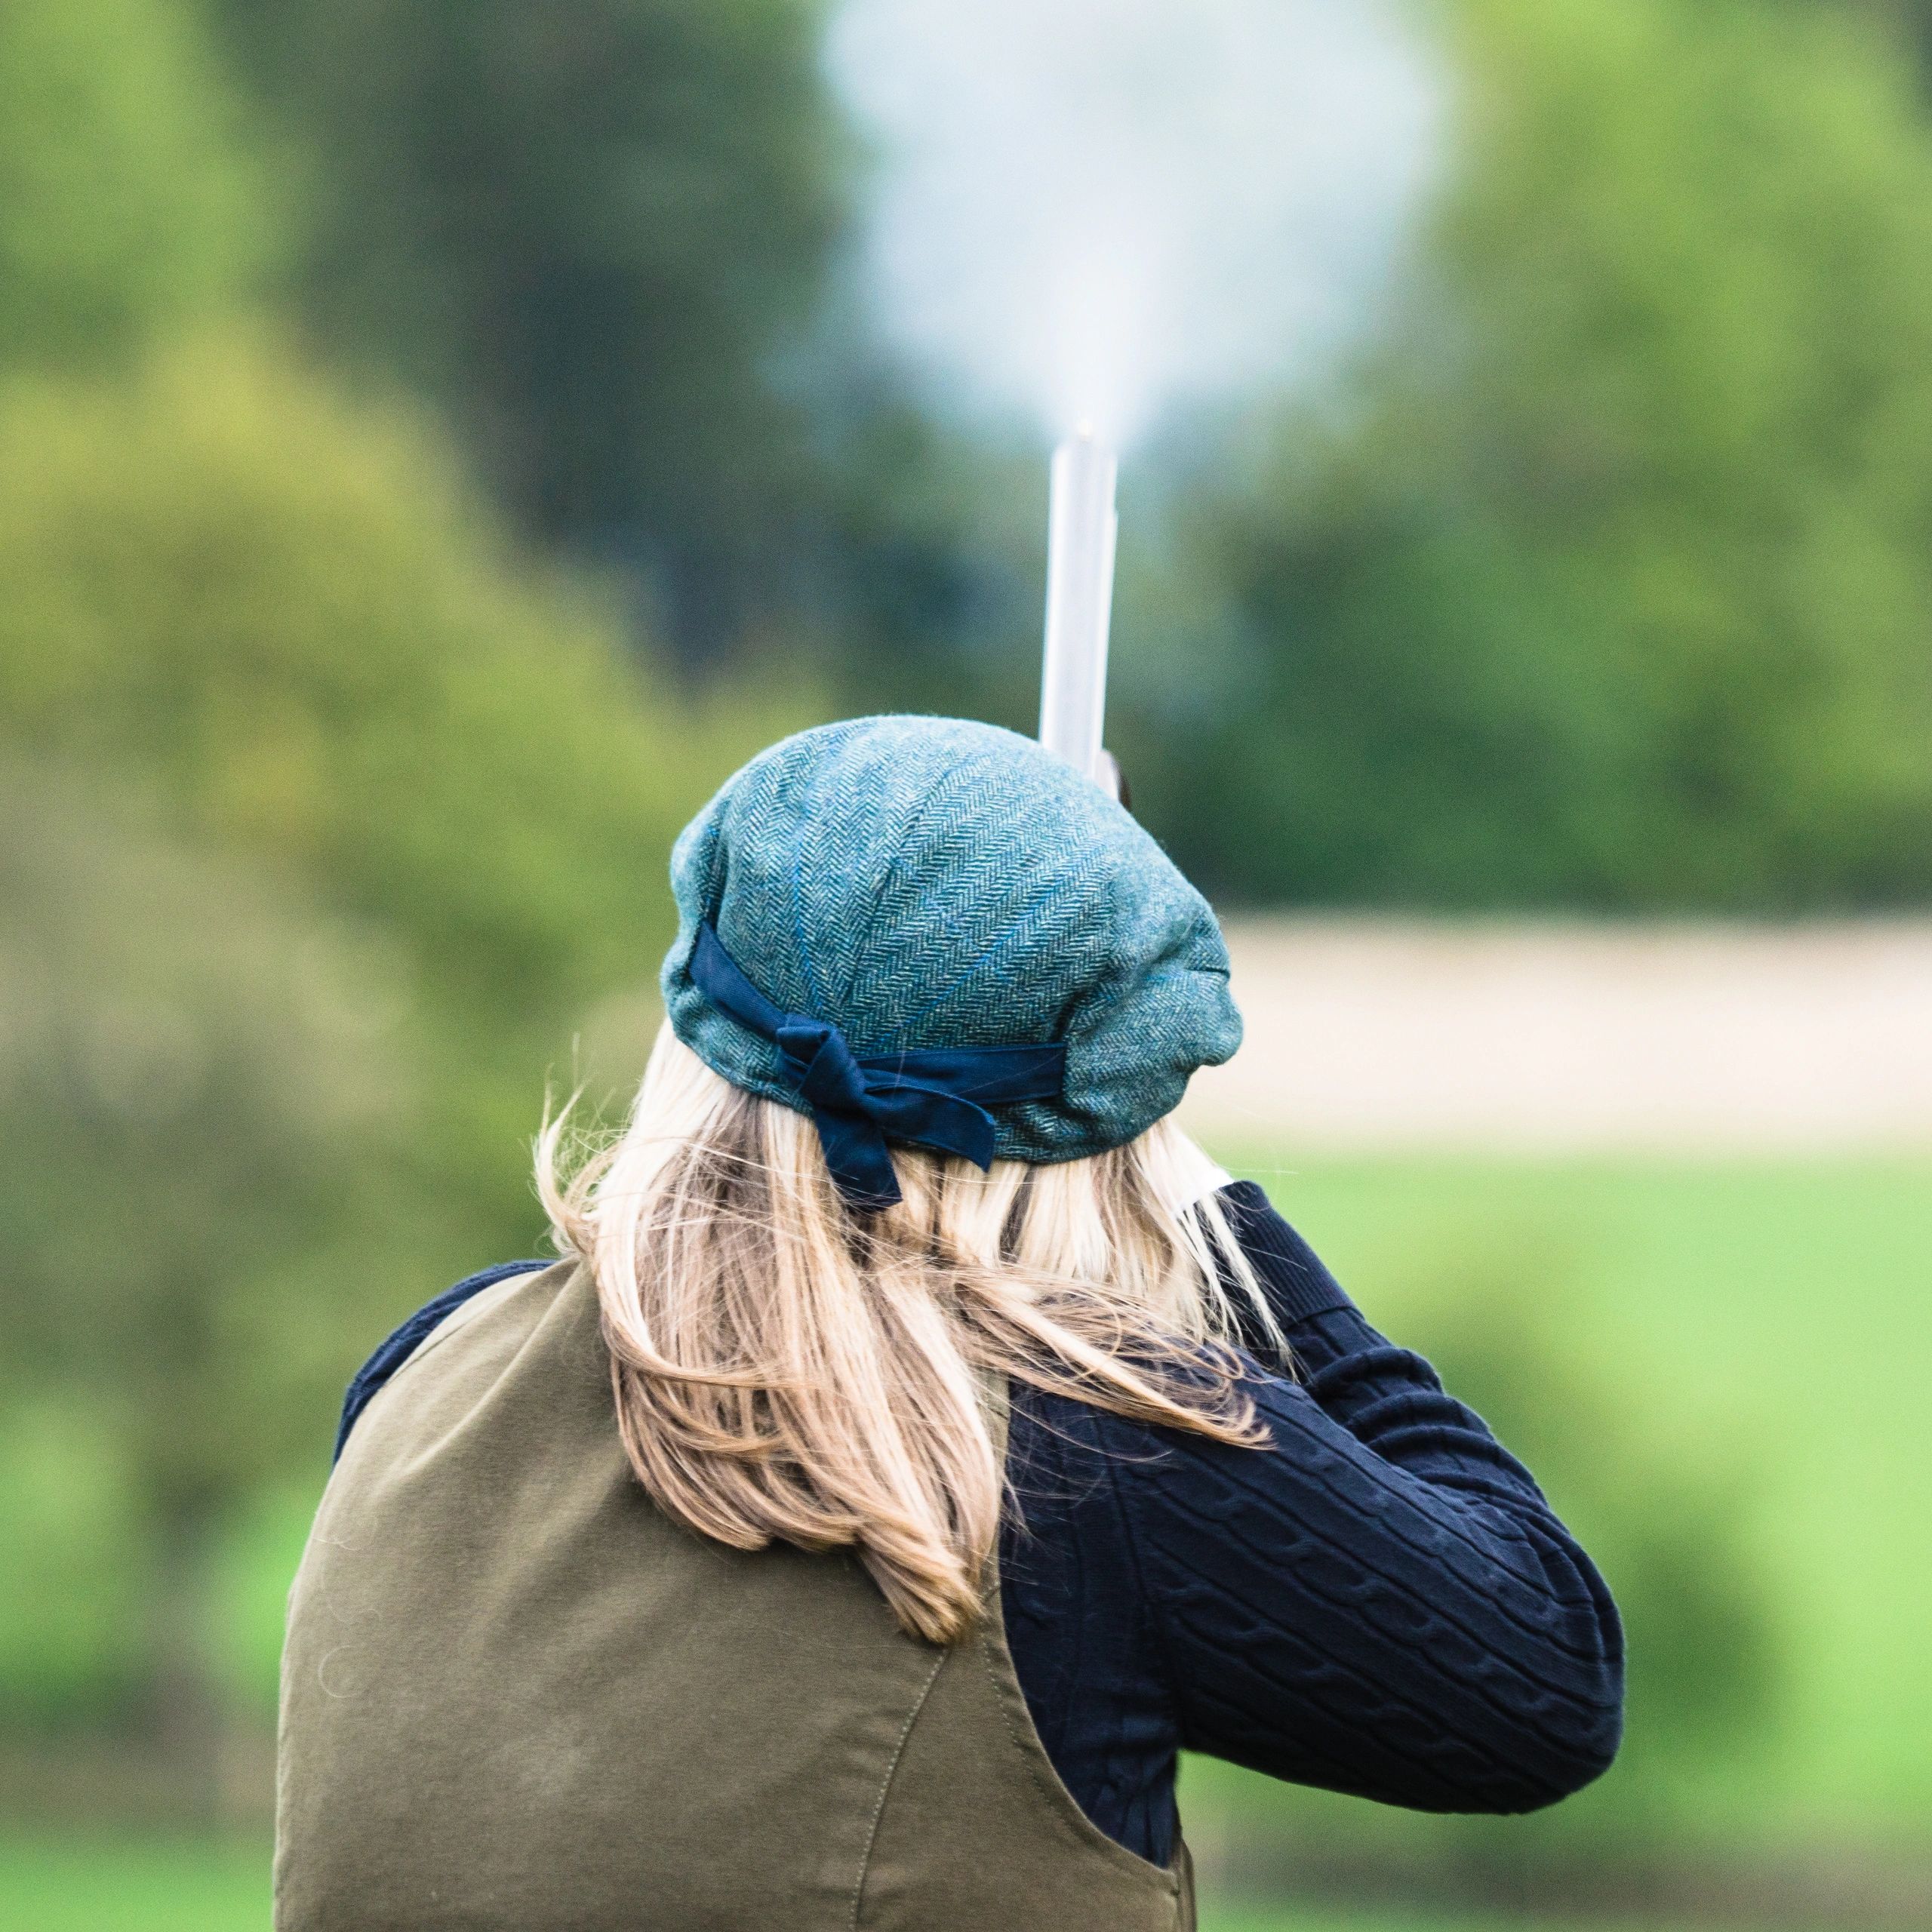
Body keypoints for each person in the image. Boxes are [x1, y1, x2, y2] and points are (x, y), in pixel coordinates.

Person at [275, 716, 1623, 1931]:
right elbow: (1546, 1680)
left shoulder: (432, 1365)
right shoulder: (1092, 1464)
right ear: (1106, 1129)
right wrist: (1224, 1223)